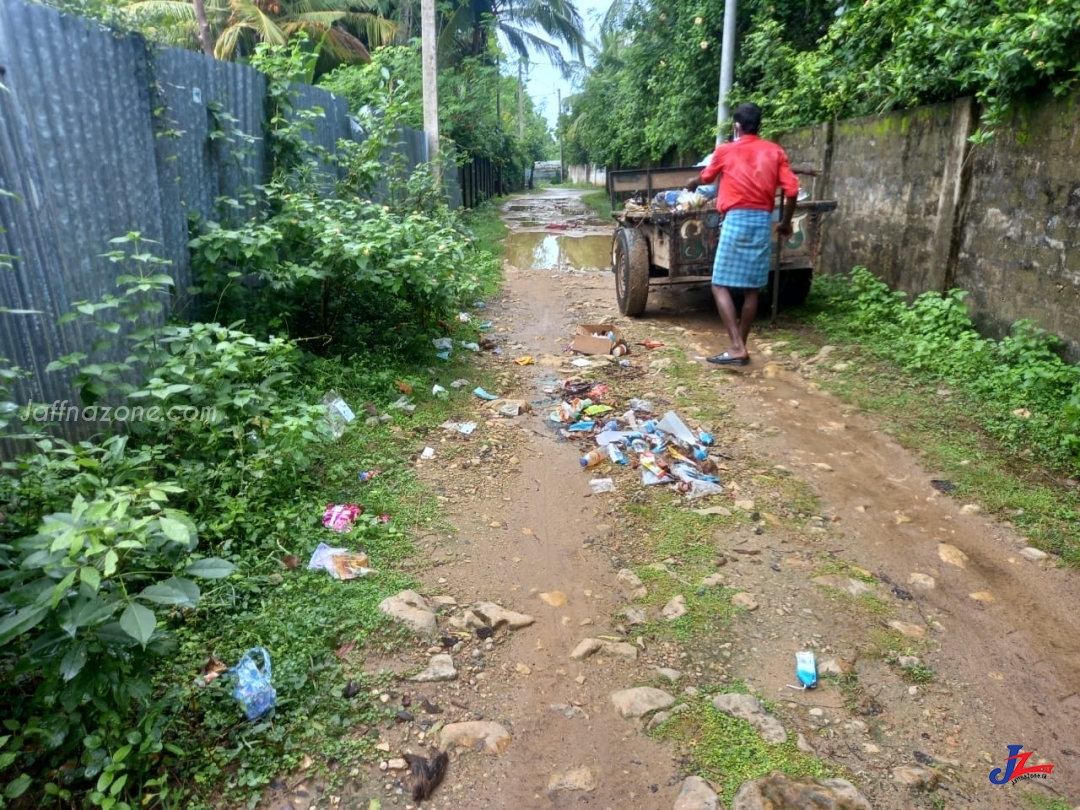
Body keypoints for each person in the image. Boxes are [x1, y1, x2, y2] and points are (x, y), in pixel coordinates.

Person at [687, 102, 799, 365]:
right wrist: (785, 223)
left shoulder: (726, 150)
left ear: (736, 126)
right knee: (751, 289)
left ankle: (737, 346)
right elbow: (792, 191)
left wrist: (693, 181)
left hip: (736, 220)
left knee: (718, 284)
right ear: (758, 126)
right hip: (762, 221)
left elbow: (707, 177)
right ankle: (740, 347)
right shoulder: (774, 151)